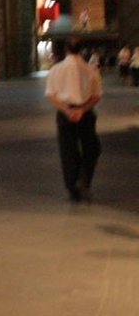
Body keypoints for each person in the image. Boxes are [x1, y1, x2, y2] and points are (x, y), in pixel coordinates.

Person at [45, 40, 103, 203]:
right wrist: (82, 109)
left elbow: (51, 95)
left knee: (68, 151)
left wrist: (67, 110)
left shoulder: (56, 70)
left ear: (66, 49)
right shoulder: (91, 69)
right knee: (92, 148)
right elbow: (96, 96)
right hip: (86, 113)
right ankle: (84, 179)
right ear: (81, 49)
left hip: (65, 115)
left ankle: (72, 189)